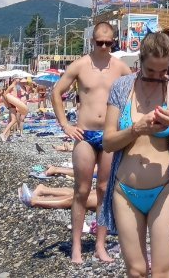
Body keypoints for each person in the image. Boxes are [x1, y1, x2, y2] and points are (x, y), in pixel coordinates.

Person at [101, 30, 169, 278]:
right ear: (139, 61)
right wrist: (136, 129)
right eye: (151, 70)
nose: (157, 77)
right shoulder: (122, 87)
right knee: (136, 270)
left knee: (163, 270)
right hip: (124, 191)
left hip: (163, 188)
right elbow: (108, 142)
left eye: (163, 71)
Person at [51, 20, 132, 264]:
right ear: (92, 41)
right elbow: (56, 92)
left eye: (108, 43)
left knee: (105, 189)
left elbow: (138, 93)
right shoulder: (80, 65)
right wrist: (65, 124)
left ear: (114, 42)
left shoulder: (120, 67)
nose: (104, 47)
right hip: (85, 133)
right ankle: (76, 245)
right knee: (82, 190)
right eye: (100, 42)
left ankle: (100, 244)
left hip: (109, 134)